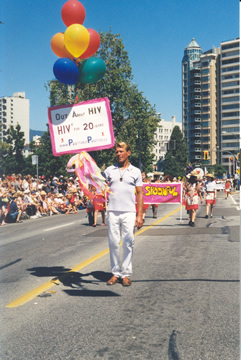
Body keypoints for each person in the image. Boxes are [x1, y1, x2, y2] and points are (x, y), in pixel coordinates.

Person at [104, 142, 143, 287]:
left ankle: (126, 274)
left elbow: (140, 193)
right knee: (113, 243)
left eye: (121, 151)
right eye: (117, 152)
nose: (119, 154)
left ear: (128, 153)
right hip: (113, 211)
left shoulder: (135, 171)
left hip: (129, 212)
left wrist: (140, 215)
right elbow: (99, 185)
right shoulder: (109, 170)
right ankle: (115, 273)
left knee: (128, 243)